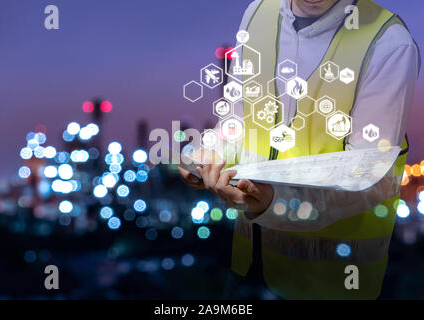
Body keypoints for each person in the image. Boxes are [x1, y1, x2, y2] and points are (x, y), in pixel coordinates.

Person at [179, 0, 420, 299]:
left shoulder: (389, 43)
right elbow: (238, 117)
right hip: (249, 265)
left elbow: (366, 177)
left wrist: (274, 203)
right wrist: (210, 152)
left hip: (335, 281)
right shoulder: (258, 14)